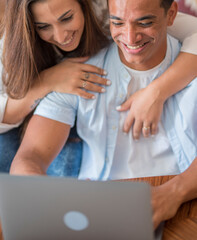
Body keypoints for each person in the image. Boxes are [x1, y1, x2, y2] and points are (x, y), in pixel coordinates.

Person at [10, 0, 197, 229]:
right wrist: (44, 193)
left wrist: (173, 193)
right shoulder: (79, 74)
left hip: (185, 204)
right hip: (95, 214)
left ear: (171, 15)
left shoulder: (191, 69)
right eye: (117, 22)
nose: (130, 38)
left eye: (145, 22)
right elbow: (30, 155)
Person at [0, 0, 111, 176]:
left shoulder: (109, 9)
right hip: (28, 127)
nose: (60, 37)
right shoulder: (12, 45)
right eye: (43, 27)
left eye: (67, 18)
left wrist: (158, 91)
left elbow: (167, 21)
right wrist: (47, 81)